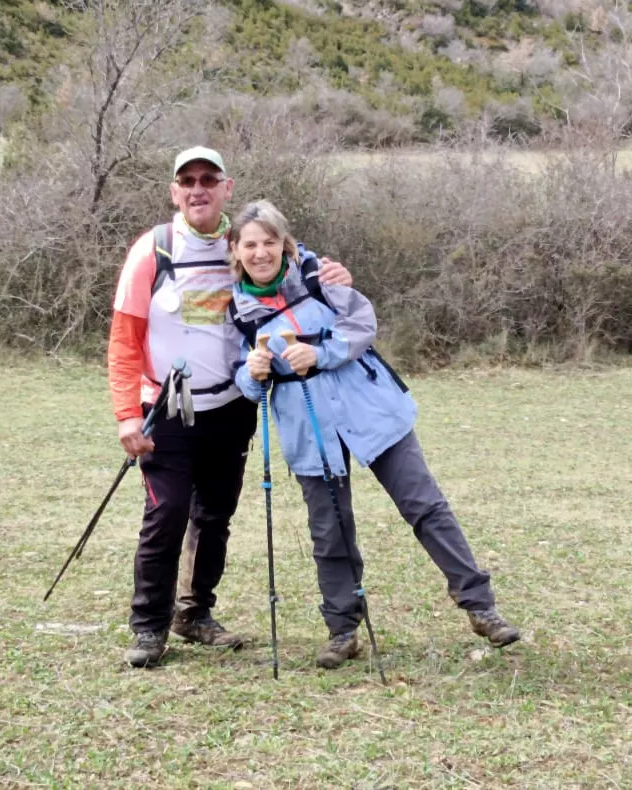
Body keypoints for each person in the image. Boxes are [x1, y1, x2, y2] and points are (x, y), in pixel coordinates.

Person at [230, 199, 521, 668]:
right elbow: (242, 382)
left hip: (370, 410)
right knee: (330, 531)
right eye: (250, 244)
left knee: (424, 506)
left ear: (284, 244)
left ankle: (481, 608)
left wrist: (319, 353)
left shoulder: (318, 276)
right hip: (308, 429)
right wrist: (254, 371)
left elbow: (362, 325)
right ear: (236, 249)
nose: (261, 253)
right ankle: (343, 631)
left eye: (269, 242)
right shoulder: (236, 310)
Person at [106, 146, 352, 668]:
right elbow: (124, 340)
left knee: (214, 515)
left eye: (208, 180)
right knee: (166, 513)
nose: (198, 189)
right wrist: (127, 414)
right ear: (175, 191)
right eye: (187, 181)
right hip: (167, 408)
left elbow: (297, 264)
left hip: (234, 404)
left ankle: (193, 613)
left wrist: (335, 276)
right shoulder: (153, 250)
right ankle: (148, 627)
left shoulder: (243, 241)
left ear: (226, 188)